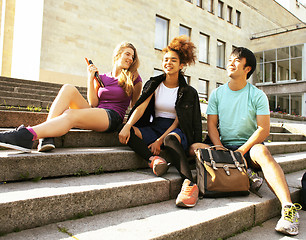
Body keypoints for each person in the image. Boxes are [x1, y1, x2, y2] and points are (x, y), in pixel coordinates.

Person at [190, 47, 302, 236]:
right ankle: (245, 174)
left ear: (247, 68)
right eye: (229, 60)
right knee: (194, 147)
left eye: (236, 60)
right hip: (222, 147)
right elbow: (211, 126)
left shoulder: (257, 95)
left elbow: (263, 129)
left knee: (262, 152)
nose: (230, 63)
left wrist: (241, 151)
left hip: (247, 148)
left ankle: (288, 209)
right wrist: (220, 149)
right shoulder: (217, 94)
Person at [0, 42, 142, 152]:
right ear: (117, 54)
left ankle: (26, 135)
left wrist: (130, 126)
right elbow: (93, 102)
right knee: (68, 88)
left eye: (132, 56)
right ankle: (47, 136)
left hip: (113, 117)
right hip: (97, 111)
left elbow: (136, 105)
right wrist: (90, 78)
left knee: (70, 114)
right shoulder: (103, 77)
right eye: (127, 54)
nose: (130, 59)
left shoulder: (134, 78)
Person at [119, 35, 202, 208]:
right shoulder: (154, 84)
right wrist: (127, 125)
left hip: (176, 132)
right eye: (165, 59)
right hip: (155, 127)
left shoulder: (188, 91)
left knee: (169, 139)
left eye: (173, 60)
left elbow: (179, 122)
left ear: (181, 65)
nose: (168, 63)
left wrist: (159, 140)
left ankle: (189, 183)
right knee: (128, 131)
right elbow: (140, 108)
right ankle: (153, 160)